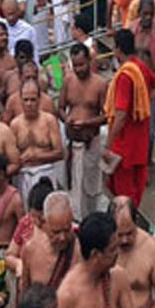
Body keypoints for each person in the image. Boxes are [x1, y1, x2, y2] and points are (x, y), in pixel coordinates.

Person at [104, 29, 155, 206]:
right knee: (135, 191)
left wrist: (108, 144)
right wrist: (142, 102)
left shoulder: (125, 76)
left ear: (118, 50)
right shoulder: (140, 66)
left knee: (124, 197)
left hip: (124, 146)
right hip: (140, 144)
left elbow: (120, 115)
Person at [61, 43, 108, 220]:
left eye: (81, 64)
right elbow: (60, 107)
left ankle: (90, 220)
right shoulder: (68, 81)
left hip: (91, 143)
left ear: (89, 61)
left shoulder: (100, 84)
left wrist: (87, 123)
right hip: (73, 142)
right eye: (75, 65)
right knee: (72, 187)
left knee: (90, 189)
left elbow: (107, 115)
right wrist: (67, 119)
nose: (79, 69)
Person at [12, 79, 66, 204]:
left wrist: (36, 156)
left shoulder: (49, 120)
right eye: (26, 100)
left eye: (33, 99)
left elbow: (59, 153)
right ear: (20, 100)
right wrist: (20, 160)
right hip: (24, 173)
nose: (29, 104)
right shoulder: (15, 124)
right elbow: (12, 156)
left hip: (46, 171)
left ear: (39, 99)